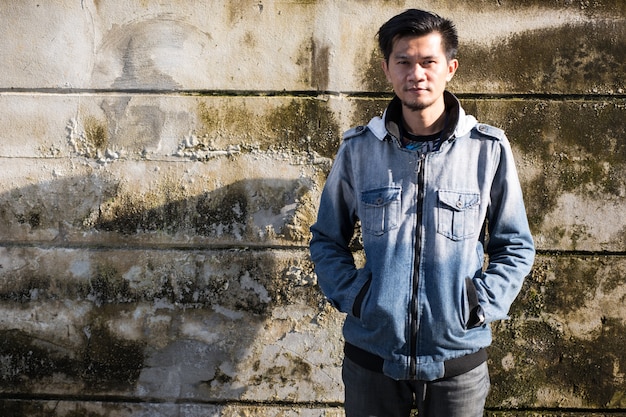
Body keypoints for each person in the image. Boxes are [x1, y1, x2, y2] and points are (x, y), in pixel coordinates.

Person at [309, 8, 535, 417]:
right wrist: (357, 298)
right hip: (372, 356)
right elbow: (327, 239)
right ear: (387, 69)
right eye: (404, 62)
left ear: (450, 68)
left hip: (457, 361)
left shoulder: (487, 150)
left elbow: (515, 245)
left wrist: (478, 304)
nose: (417, 74)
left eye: (428, 62)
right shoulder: (359, 150)